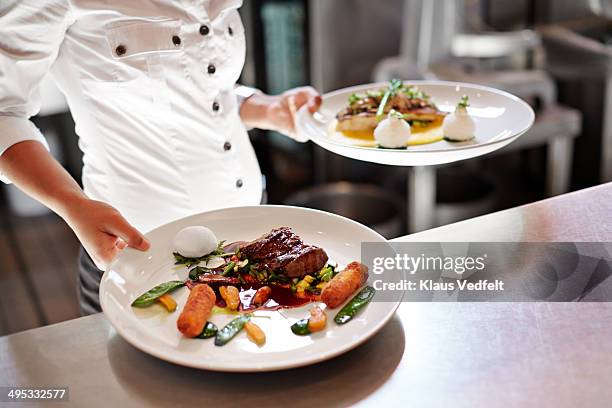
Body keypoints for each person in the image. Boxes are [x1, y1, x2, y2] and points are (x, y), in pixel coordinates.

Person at [0, 0, 321, 314]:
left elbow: (200, 85)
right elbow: (3, 114)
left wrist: (264, 108)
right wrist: (74, 205)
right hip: (140, 258)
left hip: (249, 238)